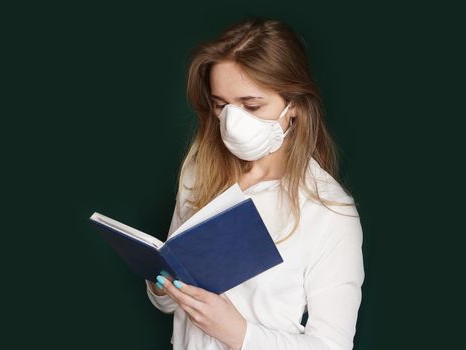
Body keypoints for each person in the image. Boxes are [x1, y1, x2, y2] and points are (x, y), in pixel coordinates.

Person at [145, 16, 365, 350]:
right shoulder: (199, 171)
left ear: (293, 106)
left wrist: (239, 333)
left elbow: (332, 345)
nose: (233, 122)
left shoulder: (329, 211)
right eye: (221, 105)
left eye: (251, 105)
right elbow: (172, 303)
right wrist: (163, 286)